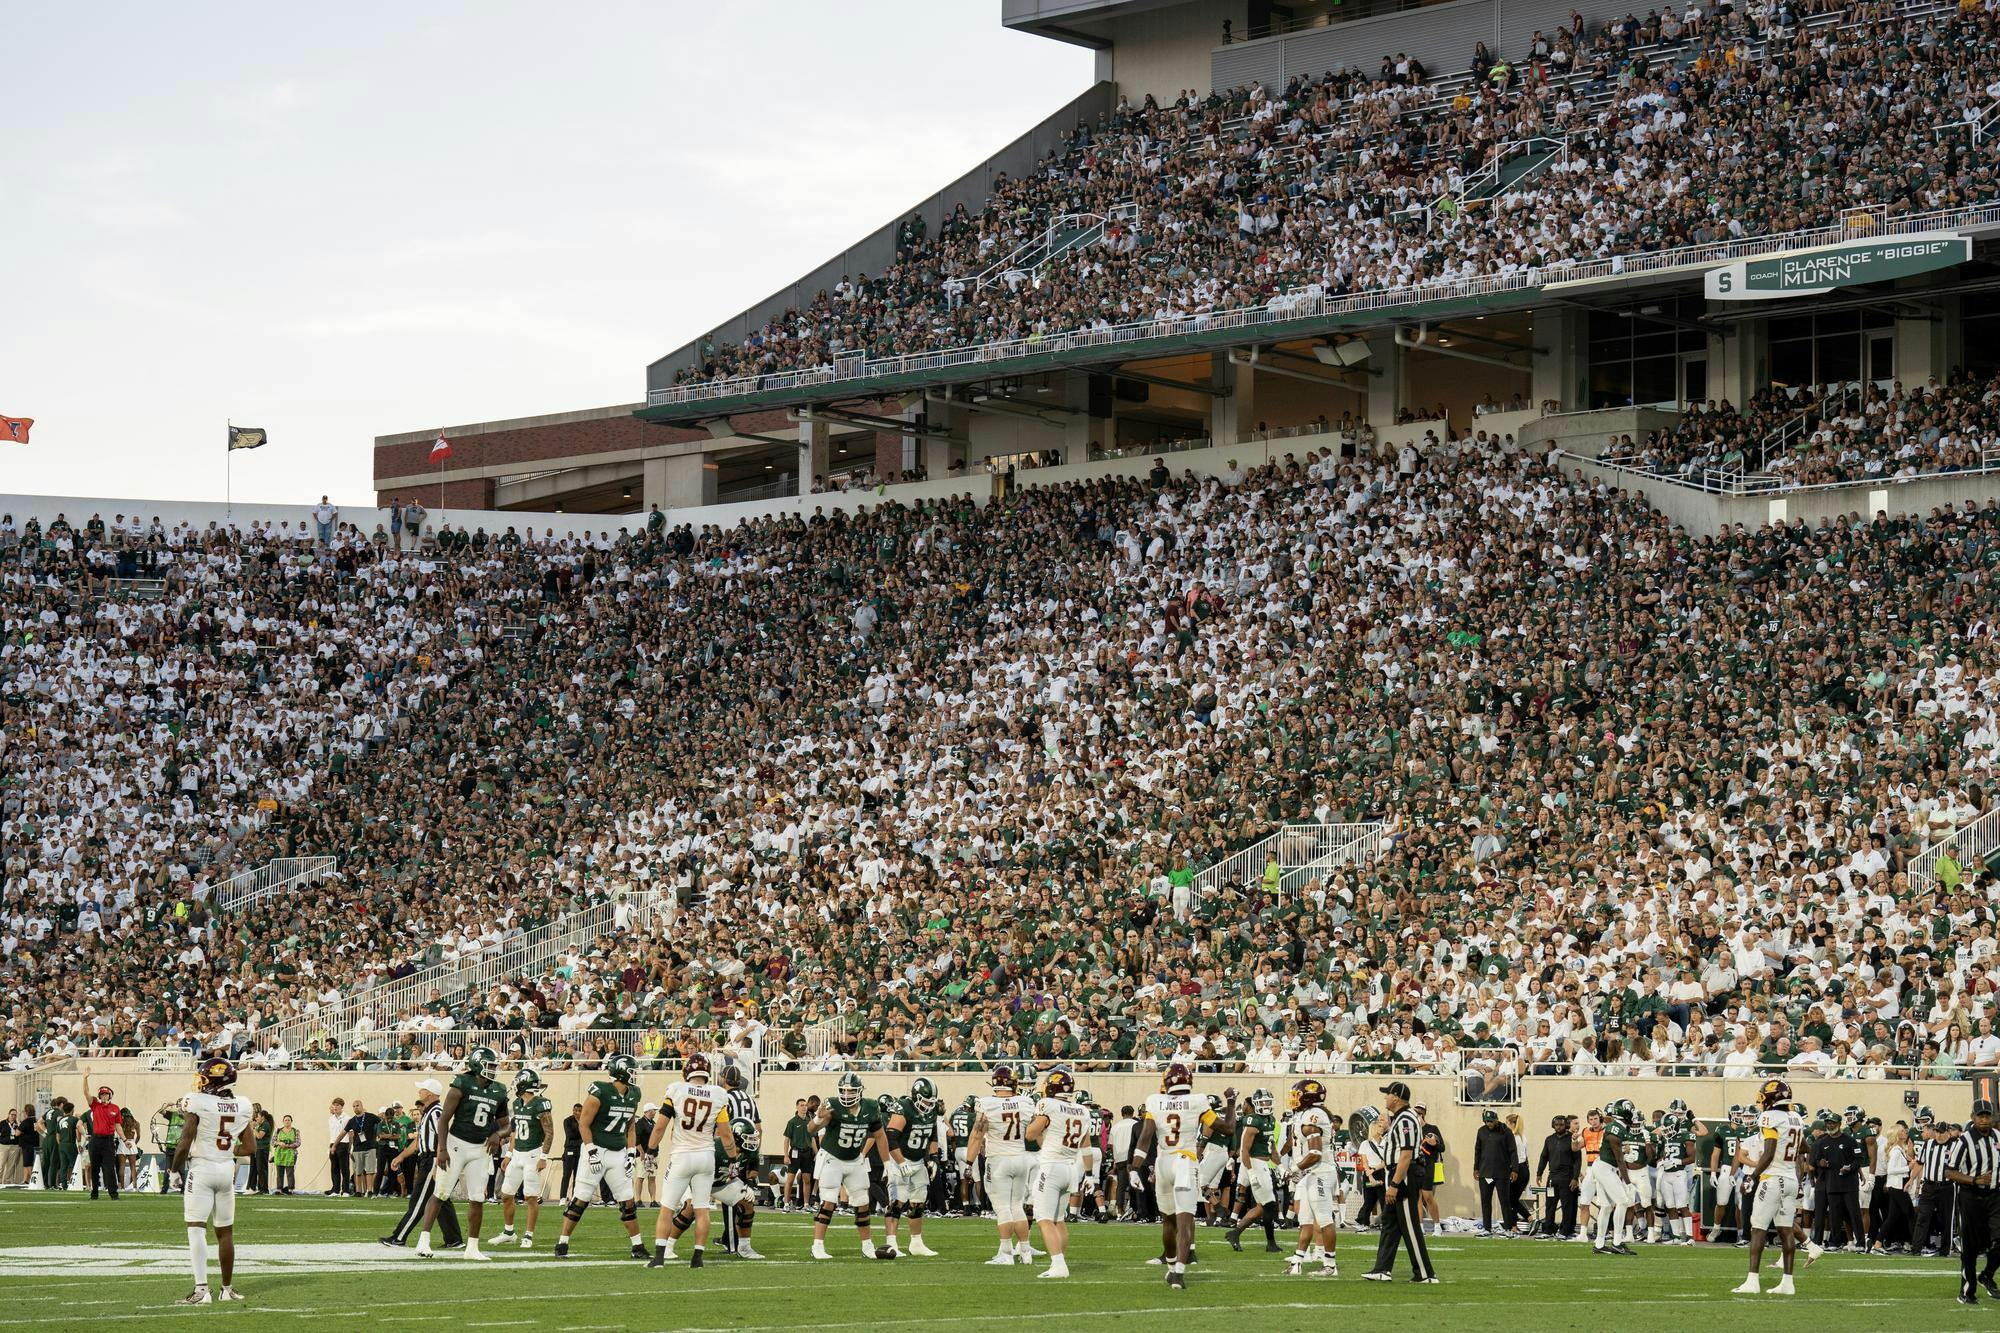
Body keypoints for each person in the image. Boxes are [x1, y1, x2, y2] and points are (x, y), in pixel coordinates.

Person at [414, 1045, 509, 1260]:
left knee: (477, 1197)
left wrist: (498, 1135)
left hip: (481, 1148)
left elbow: (506, 1124)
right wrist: (442, 1148)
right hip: (456, 1144)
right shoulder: (461, 1083)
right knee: (441, 1192)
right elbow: (444, 1119)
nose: (493, 1069)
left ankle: (472, 1248)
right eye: (489, 1065)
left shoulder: (499, 1090)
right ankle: (423, 1241)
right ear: (477, 1064)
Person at [170, 1055, 250, 1305]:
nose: (201, 1083)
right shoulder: (242, 1105)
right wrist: (225, 1152)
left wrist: (174, 1171)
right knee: (225, 1233)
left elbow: (184, 1142)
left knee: (196, 1229)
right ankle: (227, 1289)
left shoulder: (198, 1102)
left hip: (202, 1169)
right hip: (226, 1170)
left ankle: (202, 1290)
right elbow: (250, 1147)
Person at [554, 1052, 647, 1260]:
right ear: (621, 1072)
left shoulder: (634, 1093)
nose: (635, 1074)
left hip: (618, 1153)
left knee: (627, 1201)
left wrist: (631, 1154)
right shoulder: (600, 1091)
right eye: (631, 1070)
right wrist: (591, 1151)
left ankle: (638, 1246)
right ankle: (562, 1243)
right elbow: (583, 1124)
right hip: (596, 1151)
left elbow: (630, 1127)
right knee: (581, 1200)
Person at [647, 1051, 736, 1268]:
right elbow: (726, 1134)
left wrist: (650, 1150)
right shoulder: (717, 1094)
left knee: (667, 1207)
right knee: (702, 1209)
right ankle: (697, 1257)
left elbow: (660, 1126)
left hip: (681, 1155)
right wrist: (733, 1159)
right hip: (706, 1156)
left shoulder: (676, 1090)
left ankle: (659, 1257)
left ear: (687, 1071)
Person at [1132, 1061, 1215, 1290]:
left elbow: (1146, 1137)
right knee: (1185, 1218)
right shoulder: (1198, 1100)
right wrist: (1230, 1103)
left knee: (1168, 1220)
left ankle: (1171, 1268)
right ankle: (1178, 1271)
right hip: (1185, 1160)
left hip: (1163, 1162)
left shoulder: (1154, 1101)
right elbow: (1226, 1127)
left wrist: (1134, 1168)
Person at [1733, 1078, 1812, 1296]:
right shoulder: (1796, 1117)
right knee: (1786, 1229)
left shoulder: (1769, 1117)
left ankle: (1752, 1281)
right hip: (1790, 1179)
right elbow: (1805, 1146)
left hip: (1773, 1177)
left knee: (1758, 1228)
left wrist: (1752, 1177)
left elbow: (1768, 1153)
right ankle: (1788, 1283)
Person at [810, 1072, 892, 1261]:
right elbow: (810, 1130)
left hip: (855, 1159)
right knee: (829, 1201)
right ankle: (817, 1245)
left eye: (851, 1091)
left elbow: (879, 1135)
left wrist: (887, 1163)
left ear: (860, 1091)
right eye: (844, 1091)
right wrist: (817, 1120)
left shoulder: (871, 1107)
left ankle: (867, 1245)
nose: (847, 1095)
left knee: (862, 1203)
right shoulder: (832, 1105)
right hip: (832, 1157)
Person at [1024, 1067, 1091, 1279]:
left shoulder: (1048, 1104)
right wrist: (1090, 1175)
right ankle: (1059, 1260)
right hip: (1072, 1168)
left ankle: (1059, 1265)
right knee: (1058, 1219)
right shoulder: (1083, 1110)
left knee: (1043, 1218)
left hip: (1051, 1167)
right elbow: (1087, 1147)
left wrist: (1033, 1120)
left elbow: (1030, 1134)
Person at [1364, 1081, 1434, 1283]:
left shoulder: (1405, 1119)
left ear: (1396, 1097)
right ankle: (1382, 1269)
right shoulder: (1401, 1118)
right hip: (1398, 1173)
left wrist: (1394, 1184)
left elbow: (1406, 1155)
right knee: (1390, 1224)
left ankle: (1424, 1273)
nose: (1385, 1097)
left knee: (1409, 1224)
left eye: (1387, 1094)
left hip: (1404, 1175)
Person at [969, 1064, 1039, 1266]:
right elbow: (1034, 1132)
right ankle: (1025, 1251)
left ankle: (1006, 1253)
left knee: (1002, 1208)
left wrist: (969, 1162)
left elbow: (977, 1135)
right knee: (1017, 1206)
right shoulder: (1025, 1102)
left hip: (999, 1159)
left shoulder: (987, 1103)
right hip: (1021, 1157)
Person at [381, 1081, 463, 1249]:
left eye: (423, 1089)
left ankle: (399, 1238)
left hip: (433, 1159)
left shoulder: (436, 1112)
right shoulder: (429, 1112)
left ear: (430, 1094)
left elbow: (443, 1136)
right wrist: (401, 1156)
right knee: (441, 1199)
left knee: (418, 1201)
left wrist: (436, 1164)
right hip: (428, 1158)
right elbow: (419, 1141)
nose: (419, 1091)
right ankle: (454, 1239)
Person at [881, 1076, 944, 1259]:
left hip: (918, 1162)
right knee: (897, 1202)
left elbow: (932, 1135)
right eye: (925, 1101)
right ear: (916, 1096)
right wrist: (900, 1163)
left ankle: (916, 1243)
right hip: (899, 1160)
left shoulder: (931, 1111)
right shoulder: (903, 1108)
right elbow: (890, 1137)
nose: (929, 1105)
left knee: (918, 1203)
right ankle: (891, 1243)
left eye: (931, 1102)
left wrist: (933, 1158)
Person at [1282, 1079, 1338, 1278]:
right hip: (1310, 1172)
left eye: (1297, 1095)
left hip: (1320, 1171)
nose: (1293, 1099)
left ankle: (1330, 1265)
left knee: (1323, 1218)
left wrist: (1293, 1168)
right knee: (1304, 1219)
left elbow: (1315, 1153)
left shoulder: (1314, 1116)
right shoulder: (1303, 1115)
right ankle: (1298, 1261)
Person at [1948, 1098, 2000, 1306]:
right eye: (1981, 1116)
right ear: (1973, 1117)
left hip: (1995, 1195)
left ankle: (1986, 1275)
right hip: (1971, 1196)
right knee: (1970, 1247)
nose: (1985, 1120)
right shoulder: (1964, 1141)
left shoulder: (1998, 1137)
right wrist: (1974, 1179)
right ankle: (1967, 1291)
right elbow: (1949, 1171)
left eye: (1988, 1115)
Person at [497, 1068, 554, 1248]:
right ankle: (508, 1232)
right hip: (517, 1155)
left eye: (517, 1081)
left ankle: (528, 1235)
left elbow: (549, 1132)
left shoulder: (541, 1104)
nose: (515, 1085)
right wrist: (508, 1154)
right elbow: (514, 1133)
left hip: (532, 1154)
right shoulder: (517, 1103)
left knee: (530, 1197)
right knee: (506, 1195)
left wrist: (543, 1157)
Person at [1225, 1087, 1282, 1254]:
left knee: (1263, 1206)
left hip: (1263, 1164)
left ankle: (1235, 1233)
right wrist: (1250, 1173)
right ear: (1256, 1104)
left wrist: (1281, 1167)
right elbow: (1244, 1150)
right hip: (1255, 1164)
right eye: (1262, 1102)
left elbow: (1272, 1148)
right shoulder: (1252, 1120)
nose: (1265, 1105)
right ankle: (1270, 1243)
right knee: (1270, 1205)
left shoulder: (1270, 1119)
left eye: (1267, 1102)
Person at [1588, 1099, 1639, 1256]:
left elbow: (1619, 1155)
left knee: (1607, 1206)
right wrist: (1628, 1183)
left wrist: (1626, 1154)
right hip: (1605, 1167)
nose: (1633, 1114)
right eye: (1630, 1111)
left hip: (1604, 1166)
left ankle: (1599, 1244)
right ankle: (1617, 1242)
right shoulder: (1616, 1129)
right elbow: (1618, 1159)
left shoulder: (1618, 1127)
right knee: (1623, 1201)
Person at [1475, 1108, 1517, 1234]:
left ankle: (1508, 1228)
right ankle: (1487, 1228)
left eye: (1491, 1121)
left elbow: (1513, 1151)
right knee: (1485, 1201)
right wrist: (1476, 1168)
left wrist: (1514, 1169)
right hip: (1485, 1172)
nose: (1489, 1124)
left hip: (1502, 1172)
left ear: (1496, 1120)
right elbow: (1477, 1150)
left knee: (1504, 1201)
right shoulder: (1481, 1131)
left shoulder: (1506, 1131)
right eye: (1487, 1121)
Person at [82, 1082, 123, 1200]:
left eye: (106, 1094)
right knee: (94, 1168)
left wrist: (124, 1139)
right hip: (96, 1140)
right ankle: (94, 1193)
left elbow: (118, 1126)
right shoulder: (95, 1105)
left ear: (110, 1095)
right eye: (102, 1094)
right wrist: (85, 1078)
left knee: (109, 1168)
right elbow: (86, 1093)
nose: (104, 1096)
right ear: (99, 1096)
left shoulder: (115, 1108)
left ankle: (114, 1194)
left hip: (109, 1141)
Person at [327, 1097, 351, 1197]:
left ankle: (345, 1190)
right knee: (334, 1168)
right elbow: (332, 1133)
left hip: (344, 1144)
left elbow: (350, 1134)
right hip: (333, 1144)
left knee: (344, 1168)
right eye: (334, 1105)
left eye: (338, 1105)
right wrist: (331, 1146)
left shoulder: (347, 1118)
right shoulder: (331, 1119)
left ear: (342, 1107)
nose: (335, 1107)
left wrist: (350, 1147)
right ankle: (335, 1190)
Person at [559, 1103, 583, 1199]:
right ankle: (563, 1197)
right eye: (575, 1110)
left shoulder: (584, 1121)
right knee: (566, 1175)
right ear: (573, 1111)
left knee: (577, 1176)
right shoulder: (568, 1121)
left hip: (580, 1150)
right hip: (569, 1149)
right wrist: (581, 1137)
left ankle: (574, 1196)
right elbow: (570, 1135)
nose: (577, 1113)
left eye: (579, 1111)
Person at [273, 1116, 299, 1195]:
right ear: (283, 1121)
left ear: (291, 1121)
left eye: (288, 1120)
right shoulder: (278, 1131)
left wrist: (288, 1145)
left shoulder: (295, 1131)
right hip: (279, 1154)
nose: (287, 1121)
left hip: (290, 1154)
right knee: (279, 1173)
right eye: (285, 1120)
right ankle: (279, 1189)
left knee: (290, 1173)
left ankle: (290, 1189)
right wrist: (279, 1143)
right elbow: (273, 1141)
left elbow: (298, 1142)